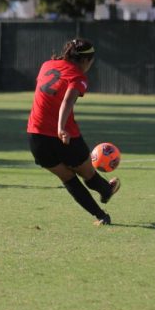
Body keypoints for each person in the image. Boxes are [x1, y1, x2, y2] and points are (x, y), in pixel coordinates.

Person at [27, 38, 120, 226]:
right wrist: (61, 127)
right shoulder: (78, 76)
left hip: (35, 136)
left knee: (67, 177)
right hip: (64, 135)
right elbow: (67, 101)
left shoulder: (47, 65)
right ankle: (106, 190)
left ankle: (101, 215)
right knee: (88, 174)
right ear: (86, 60)